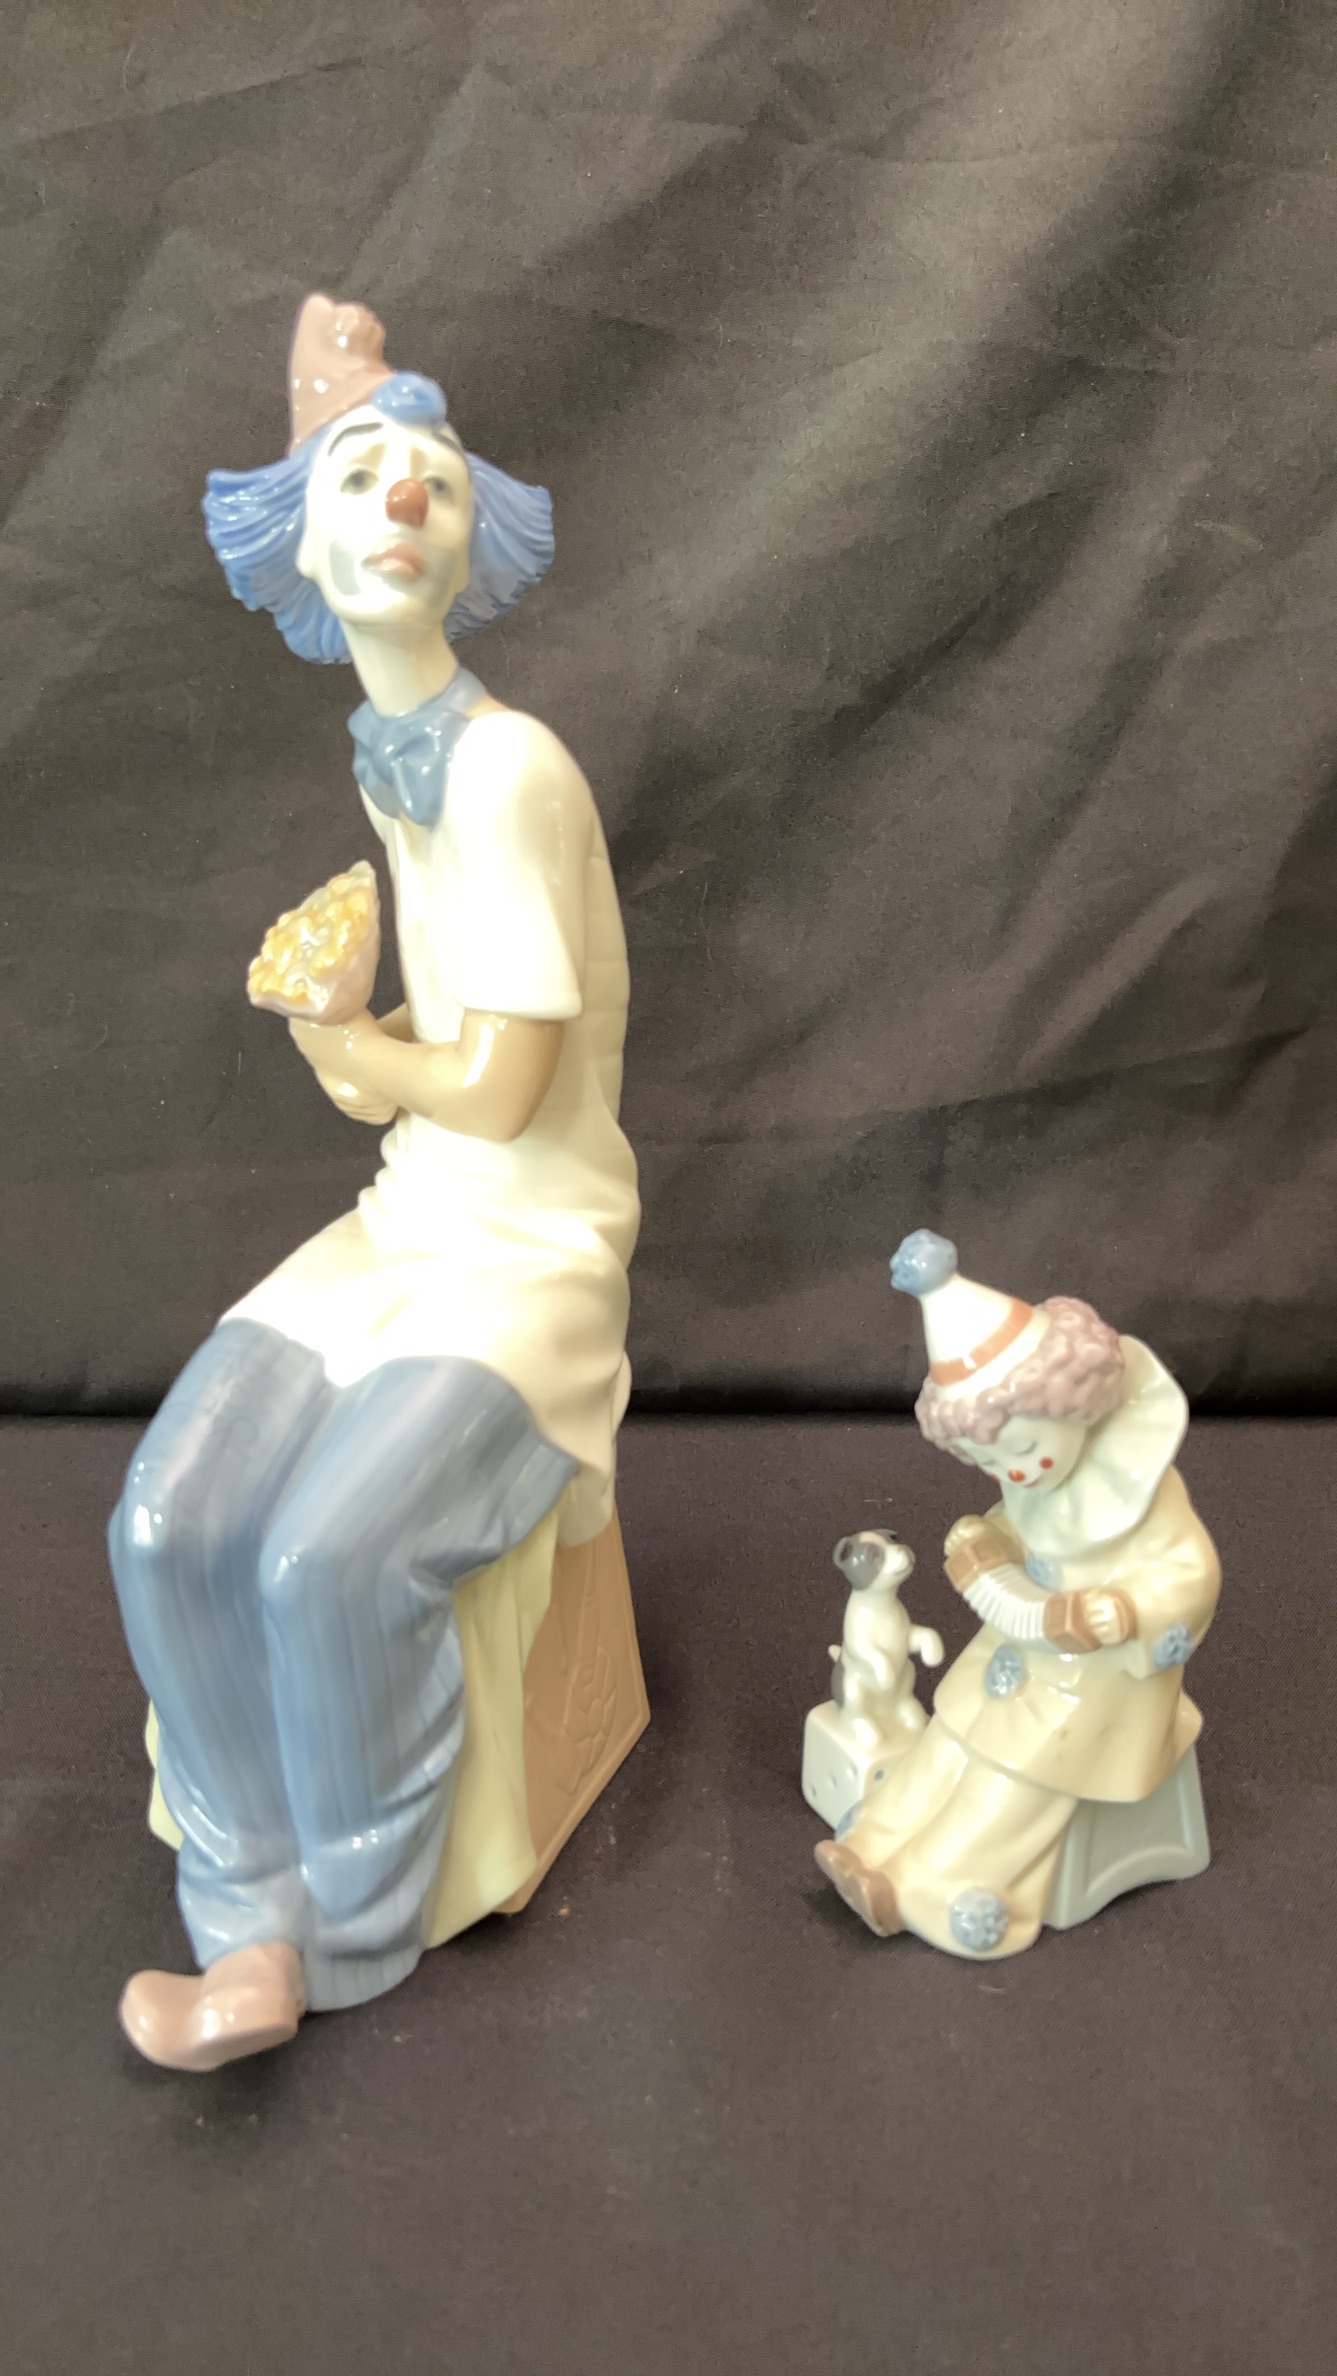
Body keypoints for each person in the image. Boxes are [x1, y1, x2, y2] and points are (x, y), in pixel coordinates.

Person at [108, 296, 640, 2068]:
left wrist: (351, 1052)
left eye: (433, 481)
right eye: (359, 478)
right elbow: (451, 1042)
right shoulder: (388, 752)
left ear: (469, 544)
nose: (402, 500)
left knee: (330, 1557)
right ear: (304, 546)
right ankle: (235, 1899)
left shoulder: (508, 765)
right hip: (418, 1215)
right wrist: (362, 1034)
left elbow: (503, 1086)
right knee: (171, 1518)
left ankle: (326, 1939)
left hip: (530, 1247)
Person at [816, 1230, 1220, 1958]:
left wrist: (1130, 1611)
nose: (1015, 1472)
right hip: (1022, 1647)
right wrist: (989, 1539)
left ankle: (935, 1881)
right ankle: (875, 1840)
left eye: (1021, 1449)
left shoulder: (1140, 1488)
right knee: (950, 1737)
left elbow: (1188, 1571)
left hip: (1100, 1677)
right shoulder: (1035, 1480)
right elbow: (1029, 1526)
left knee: (1013, 1774)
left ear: (1072, 1407)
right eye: (988, 1460)